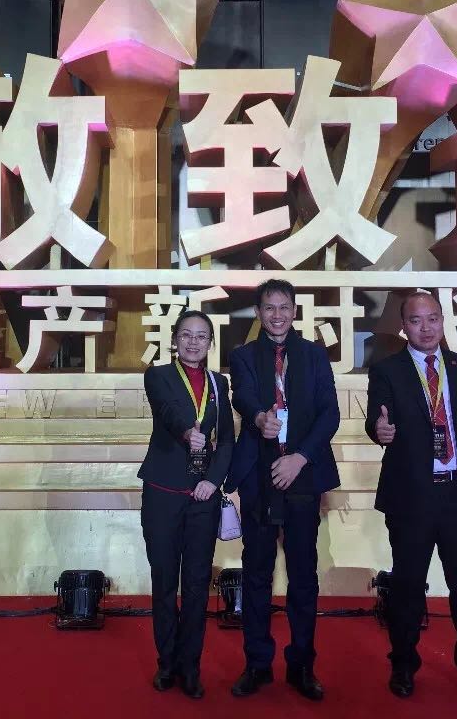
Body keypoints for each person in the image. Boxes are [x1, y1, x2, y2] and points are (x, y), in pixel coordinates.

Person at [366, 291, 457, 702]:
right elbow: (377, 419)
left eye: (432, 319)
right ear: (403, 326)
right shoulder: (387, 370)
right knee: (407, 587)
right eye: (416, 320)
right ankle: (403, 666)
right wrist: (379, 431)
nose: (425, 328)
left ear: (443, 321)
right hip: (411, 497)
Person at [226, 278, 340, 701]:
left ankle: (302, 665)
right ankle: (257, 664)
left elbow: (330, 413)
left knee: (303, 576)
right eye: (269, 308)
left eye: (284, 307)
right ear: (259, 313)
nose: (277, 315)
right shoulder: (243, 356)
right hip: (258, 475)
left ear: (294, 311)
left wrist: (300, 458)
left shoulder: (313, 355)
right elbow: (243, 396)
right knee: (256, 573)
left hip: (302, 475)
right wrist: (259, 418)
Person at [139, 310, 234, 699]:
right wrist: (187, 432)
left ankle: (190, 667)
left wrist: (214, 480)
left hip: (203, 498)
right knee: (164, 582)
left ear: (210, 343)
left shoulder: (219, 383)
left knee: (196, 585)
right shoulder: (158, 375)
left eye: (202, 336)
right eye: (186, 335)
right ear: (175, 340)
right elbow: (168, 410)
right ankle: (166, 664)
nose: (194, 342)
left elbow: (226, 440)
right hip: (162, 493)